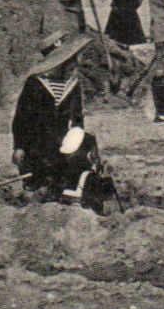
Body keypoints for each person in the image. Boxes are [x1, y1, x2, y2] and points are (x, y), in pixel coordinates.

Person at [11, 32, 103, 202]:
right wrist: (19, 146)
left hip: (61, 138)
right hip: (37, 141)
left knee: (85, 144)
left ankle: (74, 188)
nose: (73, 64)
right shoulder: (36, 83)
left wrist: (77, 135)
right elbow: (22, 118)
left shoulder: (71, 84)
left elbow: (77, 117)